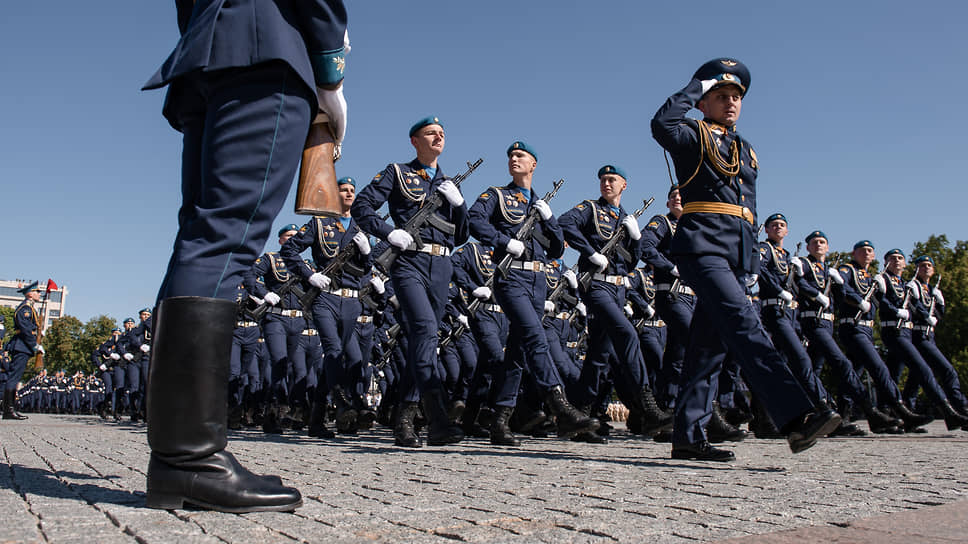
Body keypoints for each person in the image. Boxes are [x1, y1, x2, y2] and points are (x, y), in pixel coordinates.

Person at [142, 0, 348, 512]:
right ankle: (190, 460)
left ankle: (177, 460)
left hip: (208, 53)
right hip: (266, 55)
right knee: (226, 237)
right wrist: (329, 71)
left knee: (200, 234)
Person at [651, 58, 840, 461]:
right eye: (721, 96)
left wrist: (751, 262)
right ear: (704, 102)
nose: (731, 102)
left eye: (736, 96)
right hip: (702, 246)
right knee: (744, 324)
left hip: (736, 255)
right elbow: (661, 124)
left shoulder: (746, 149)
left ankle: (688, 435)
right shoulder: (691, 134)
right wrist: (695, 86)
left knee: (709, 346)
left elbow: (748, 209)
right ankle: (795, 417)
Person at [468, 140, 599, 446]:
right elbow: (474, 220)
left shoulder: (539, 205)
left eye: (520, 155)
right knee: (535, 337)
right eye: (511, 155)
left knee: (517, 352)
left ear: (533, 165)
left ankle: (500, 421)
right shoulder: (496, 195)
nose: (514, 159)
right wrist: (502, 241)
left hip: (538, 281)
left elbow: (555, 249)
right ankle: (560, 406)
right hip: (511, 277)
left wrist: (550, 219)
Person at [352, 116, 469, 448]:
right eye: (431, 133)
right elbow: (362, 206)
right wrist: (389, 232)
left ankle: (404, 417)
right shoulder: (397, 172)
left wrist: (459, 206)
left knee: (424, 342)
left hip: (442, 265)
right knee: (425, 331)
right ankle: (438, 420)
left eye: (442, 134)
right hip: (409, 263)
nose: (438, 137)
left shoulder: (449, 184)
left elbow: (461, 236)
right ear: (415, 141)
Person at [559, 165, 673, 438]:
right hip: (597, 285)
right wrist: (589, 251)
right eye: (603, 180)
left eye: (612, 180)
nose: (606, 184)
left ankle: (580, 417)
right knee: (627, 334)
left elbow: (632, 261)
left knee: (598, 356)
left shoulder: (625, 218)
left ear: (624, 186)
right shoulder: (590, 208)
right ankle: (648, 407)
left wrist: (634, 238)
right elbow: (565, 223)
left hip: (618, 290)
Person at [281, 176, 373, 435]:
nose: (349, 194)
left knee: (348, 357)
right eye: (343, 190)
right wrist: (308, 275)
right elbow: (289, 250)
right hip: (325, 298)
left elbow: (366, 269)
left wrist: (367, 252)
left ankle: (316, 420)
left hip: (352, 300)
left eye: (352, 190)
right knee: (333, 349)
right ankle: (343, 403)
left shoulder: (359, 229)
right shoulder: (319, 224)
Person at [796, 231, 901, 434]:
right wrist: (815, 294)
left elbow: (840, 298)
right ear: (808, 247)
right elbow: (800, 286)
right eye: (815, 242)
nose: (819, 245)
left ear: (828, 247)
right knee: (841, 364)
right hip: (811, 321)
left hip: (828, 323)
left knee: (815, 370)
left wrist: (839, 285)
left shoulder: (830, 270)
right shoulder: (806, 264)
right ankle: (870, 411)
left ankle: (831, 418)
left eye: (823, 242)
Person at [835, 241, 933, 431]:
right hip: (853, 326)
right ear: (854, 253)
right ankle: (900, 409)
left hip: (867, 329)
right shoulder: (848, 269)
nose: (866, 253)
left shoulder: (870, 277)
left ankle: (847, 418)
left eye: (870, 251)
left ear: (873, 257)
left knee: (854, 373)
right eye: (862, 250)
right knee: (879, 369)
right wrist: (857, 301)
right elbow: (842, 288)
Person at [876, 249, 967, 430]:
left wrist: (936, 307)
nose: (896, 261)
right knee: (930, 370)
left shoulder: (909, 285)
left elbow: (923, 309)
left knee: (895, 375)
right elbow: (886, 301)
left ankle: (892, 416)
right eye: (892, 258)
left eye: (900, 258)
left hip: (910, 333)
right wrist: (906, 312)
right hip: (900, 332)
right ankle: (952, 411)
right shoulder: (895, 282)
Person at [906, 256, 968, 423]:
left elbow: (937, 316)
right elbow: (914, 307)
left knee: (917, 377)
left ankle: (908, 413)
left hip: (929, 335)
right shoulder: (912, 286)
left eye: (929, 265)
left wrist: (940, 305)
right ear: (916, 269)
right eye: (922, 265)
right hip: (918, 335)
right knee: (948, 371)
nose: (926, 268)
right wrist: (926, 315)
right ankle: (962, 408)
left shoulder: (931, 289)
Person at [4, 281, 43, 420]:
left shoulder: (30, 308)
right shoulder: (25, 308)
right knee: (13, 378)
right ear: (30, 294)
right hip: (21, 345)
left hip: (23, 346)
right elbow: (25, 329)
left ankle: (11, 408)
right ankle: (8, 410)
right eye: (37, 291)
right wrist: (34, 344)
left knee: (15, 378)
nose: (39, 294)